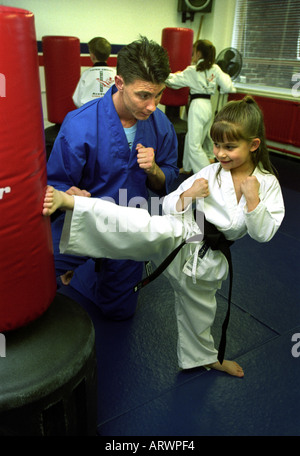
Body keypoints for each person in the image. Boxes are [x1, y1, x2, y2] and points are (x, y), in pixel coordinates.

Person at [43, 96, 285, 376]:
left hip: (208, 257)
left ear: (253, 145)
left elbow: (264, 233)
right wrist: (188, 194)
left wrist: (253, 201)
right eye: (217, 145)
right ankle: (72, 203)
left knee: (200, 310)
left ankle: (205, 357)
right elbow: (168, 203)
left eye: (230, 147)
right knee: (134, 222)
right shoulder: (212, 171)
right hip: (184, 228)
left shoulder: (266, 184)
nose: (220, 154)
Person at [46, 36, 179, 321]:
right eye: (143, 95)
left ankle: (92, 271)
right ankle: (81, 264)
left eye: (158, 95)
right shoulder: (80, 124)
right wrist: (69, 193)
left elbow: (170, 177)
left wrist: (155, 170)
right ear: (119, 83)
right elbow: (54, 184)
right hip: (83, 221)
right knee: (38, 271)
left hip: (128, 227)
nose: (152, 105)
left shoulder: (161, 126)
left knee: (118, 311)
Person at [166, 39, 236, 174]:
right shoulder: (215, 68)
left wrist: (164, 75)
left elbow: (173, 82)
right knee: (192, 138)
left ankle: (208, 175)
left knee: (194, 144)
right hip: (208, 106)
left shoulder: (192, 70)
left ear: (198, 53)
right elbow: (228, 86)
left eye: (194, 52)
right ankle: (187, 167)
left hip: (197, 106)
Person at [72, 37, 116, 107]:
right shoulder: (116, 74)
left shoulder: (86, 74)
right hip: (111, 114)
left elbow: (77, 99)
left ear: (92, 56)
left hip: (89, 114)